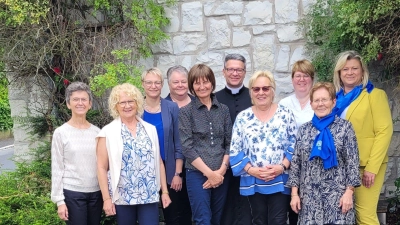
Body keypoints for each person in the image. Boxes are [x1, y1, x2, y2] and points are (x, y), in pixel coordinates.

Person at [96, 83, 171, 225]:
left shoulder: (150, 129)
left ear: (137, 103)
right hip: (123, 196)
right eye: (122, 102)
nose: (127, 106)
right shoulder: (108, 132)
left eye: (131, 101)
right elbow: (101, 167)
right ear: (115, 106)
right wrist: (106, 198)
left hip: (149, 194)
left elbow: (159, 162)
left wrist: (165, 192)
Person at [287, 82, 361, 225]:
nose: (320, 104)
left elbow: (352, 163)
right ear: (311, 104)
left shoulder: (345, 128)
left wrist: (349, 193)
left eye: (324, 99)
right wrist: (294, 194)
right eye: (317, 100)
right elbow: (296, 164)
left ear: (333, 102)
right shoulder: (304, 130)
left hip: (338, 200)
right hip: (309, 200)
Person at [332, 50, 393, 225]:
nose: (349, 73)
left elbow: (384, 131)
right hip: (340, 166)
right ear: (339, 73)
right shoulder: (335, 99)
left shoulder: (374, 95)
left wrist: (372, 168)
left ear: (362, 72)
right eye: (345, 69)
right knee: (342, 214)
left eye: (354, 69)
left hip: (365, 166)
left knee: (365, 215)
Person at [229, 70, 297, 225]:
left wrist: (281, 167)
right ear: (251, 92)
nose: (261, 93)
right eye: (256, 89)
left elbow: (295, 145)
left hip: (279, 179)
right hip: (253, 180)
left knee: (278, 221)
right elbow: (235, 149)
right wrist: (251, 170)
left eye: (265, 88)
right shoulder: (243, 118)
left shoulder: (285, 114)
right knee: (258, 220)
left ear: (272, 91)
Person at [179, 64, 232, 225]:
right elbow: (187, 147)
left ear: (212, 83)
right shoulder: (186, 112)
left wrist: (221, 172)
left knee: (217, 219)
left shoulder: (223, 110)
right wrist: (210, 174)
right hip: (197, 174)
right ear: (192, 86)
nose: (202, 87)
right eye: (197, 83)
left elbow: (230, 143)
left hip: (222, 173)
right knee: (202, 219)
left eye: (205, 82)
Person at [141, 67, 191, 225]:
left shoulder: (171, 107)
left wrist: (177, 173)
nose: (153, 86)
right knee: (147, 217)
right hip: (145, 172)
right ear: (143, 84)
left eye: (157, 82)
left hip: (170, 172)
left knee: (174, 216)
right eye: (149, 82)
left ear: (162, 84)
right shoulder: (135, 109)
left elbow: (178, 143)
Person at [51, 81, 102, 224]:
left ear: (90, 104)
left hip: (96, 194)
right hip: (72, 194)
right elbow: (57, 167)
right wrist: (60, 201)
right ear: (68, 104)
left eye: (84, 99)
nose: (80, 103)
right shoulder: (61, 133)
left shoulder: (97, 132)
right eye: (75, 99)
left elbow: (103, 165)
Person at [215, 53, 252, 225]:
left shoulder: (254, 96)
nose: (235, 73)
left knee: (249, 210)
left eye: (239, 70)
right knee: (224, 210)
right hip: (221, 164)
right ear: (224, 71)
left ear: (245, 72)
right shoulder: (214, 98)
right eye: (231, 69)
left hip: (249, 165)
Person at [279, 59, 315, 225]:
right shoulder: (284, 104)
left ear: (312, 79)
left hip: (313, 165)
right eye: (298, 76)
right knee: (292, 210)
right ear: (292, 79)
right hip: (289, 167)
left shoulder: (318, 102)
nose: (302, 79)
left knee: (310, 212)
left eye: (306, 75)